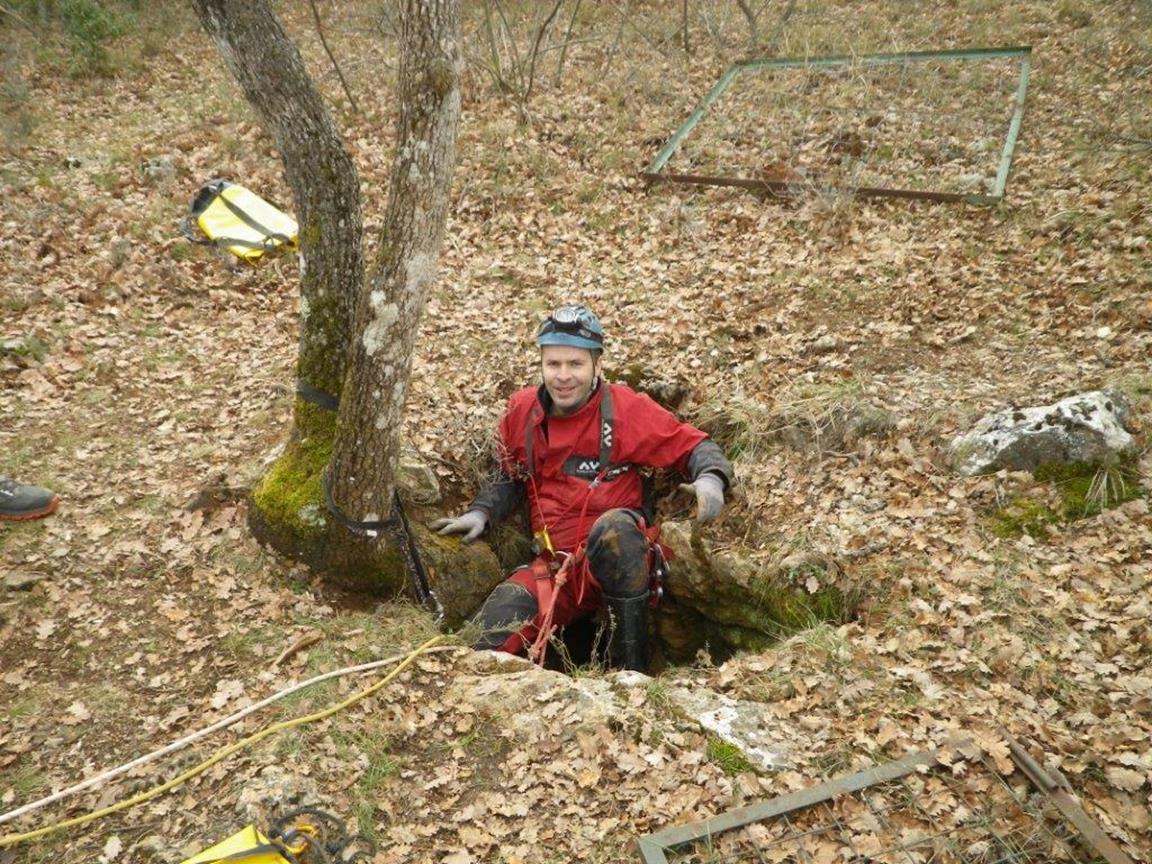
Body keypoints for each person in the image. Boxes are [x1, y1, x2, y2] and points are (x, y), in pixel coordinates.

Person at [433, 304, 732, 671]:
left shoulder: (625, 409)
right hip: (550, 567)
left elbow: (692, 445)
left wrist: (711, 479)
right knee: (474, 649)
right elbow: (510, 472)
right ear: (541, 365)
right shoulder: (523, 411)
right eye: (553, 364)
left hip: (612, 561)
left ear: (596, 365)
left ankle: (632, 678)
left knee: (616, 531)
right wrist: (482, 512)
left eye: (575, 364)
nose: (563, 376)